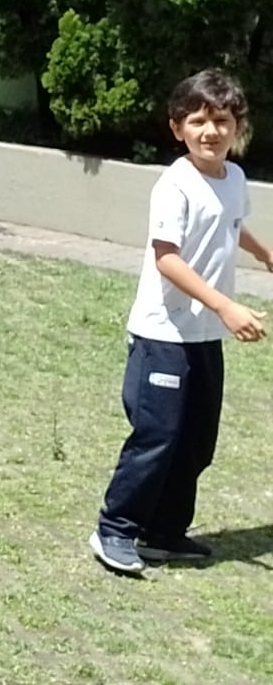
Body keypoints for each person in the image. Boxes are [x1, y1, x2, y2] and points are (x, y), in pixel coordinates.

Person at [89, 70, 271, 576]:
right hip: (163, 334)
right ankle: (115, 529)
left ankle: (163, 532)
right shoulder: (175, 184)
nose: (211, 131)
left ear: (238, 126)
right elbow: (167, 258)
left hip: (203, 337)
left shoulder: (234, 178)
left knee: (195, 441)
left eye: (222, 121)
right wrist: (226, 306)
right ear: (177, 128)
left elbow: (230, 223)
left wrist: (263, 253)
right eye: (198, 121)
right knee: (157, 435)